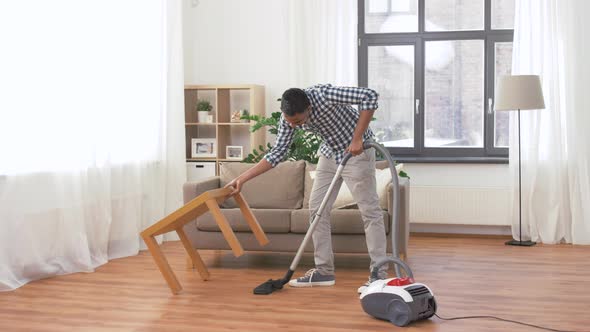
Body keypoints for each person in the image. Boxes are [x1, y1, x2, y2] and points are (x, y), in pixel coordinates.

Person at [225, 84, 387, 293]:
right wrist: (242, 178)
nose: (293, 126)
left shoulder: (325, 95)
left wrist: (357, 138)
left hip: (357, 153)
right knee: (316, 210)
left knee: (370, 212)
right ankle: (324, 271)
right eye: (290, 122)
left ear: (309, 107)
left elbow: (370, 95)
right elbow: (277, 153)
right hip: (330, 155)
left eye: (298, 122)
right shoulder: (288, 119)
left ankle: (378, 275)